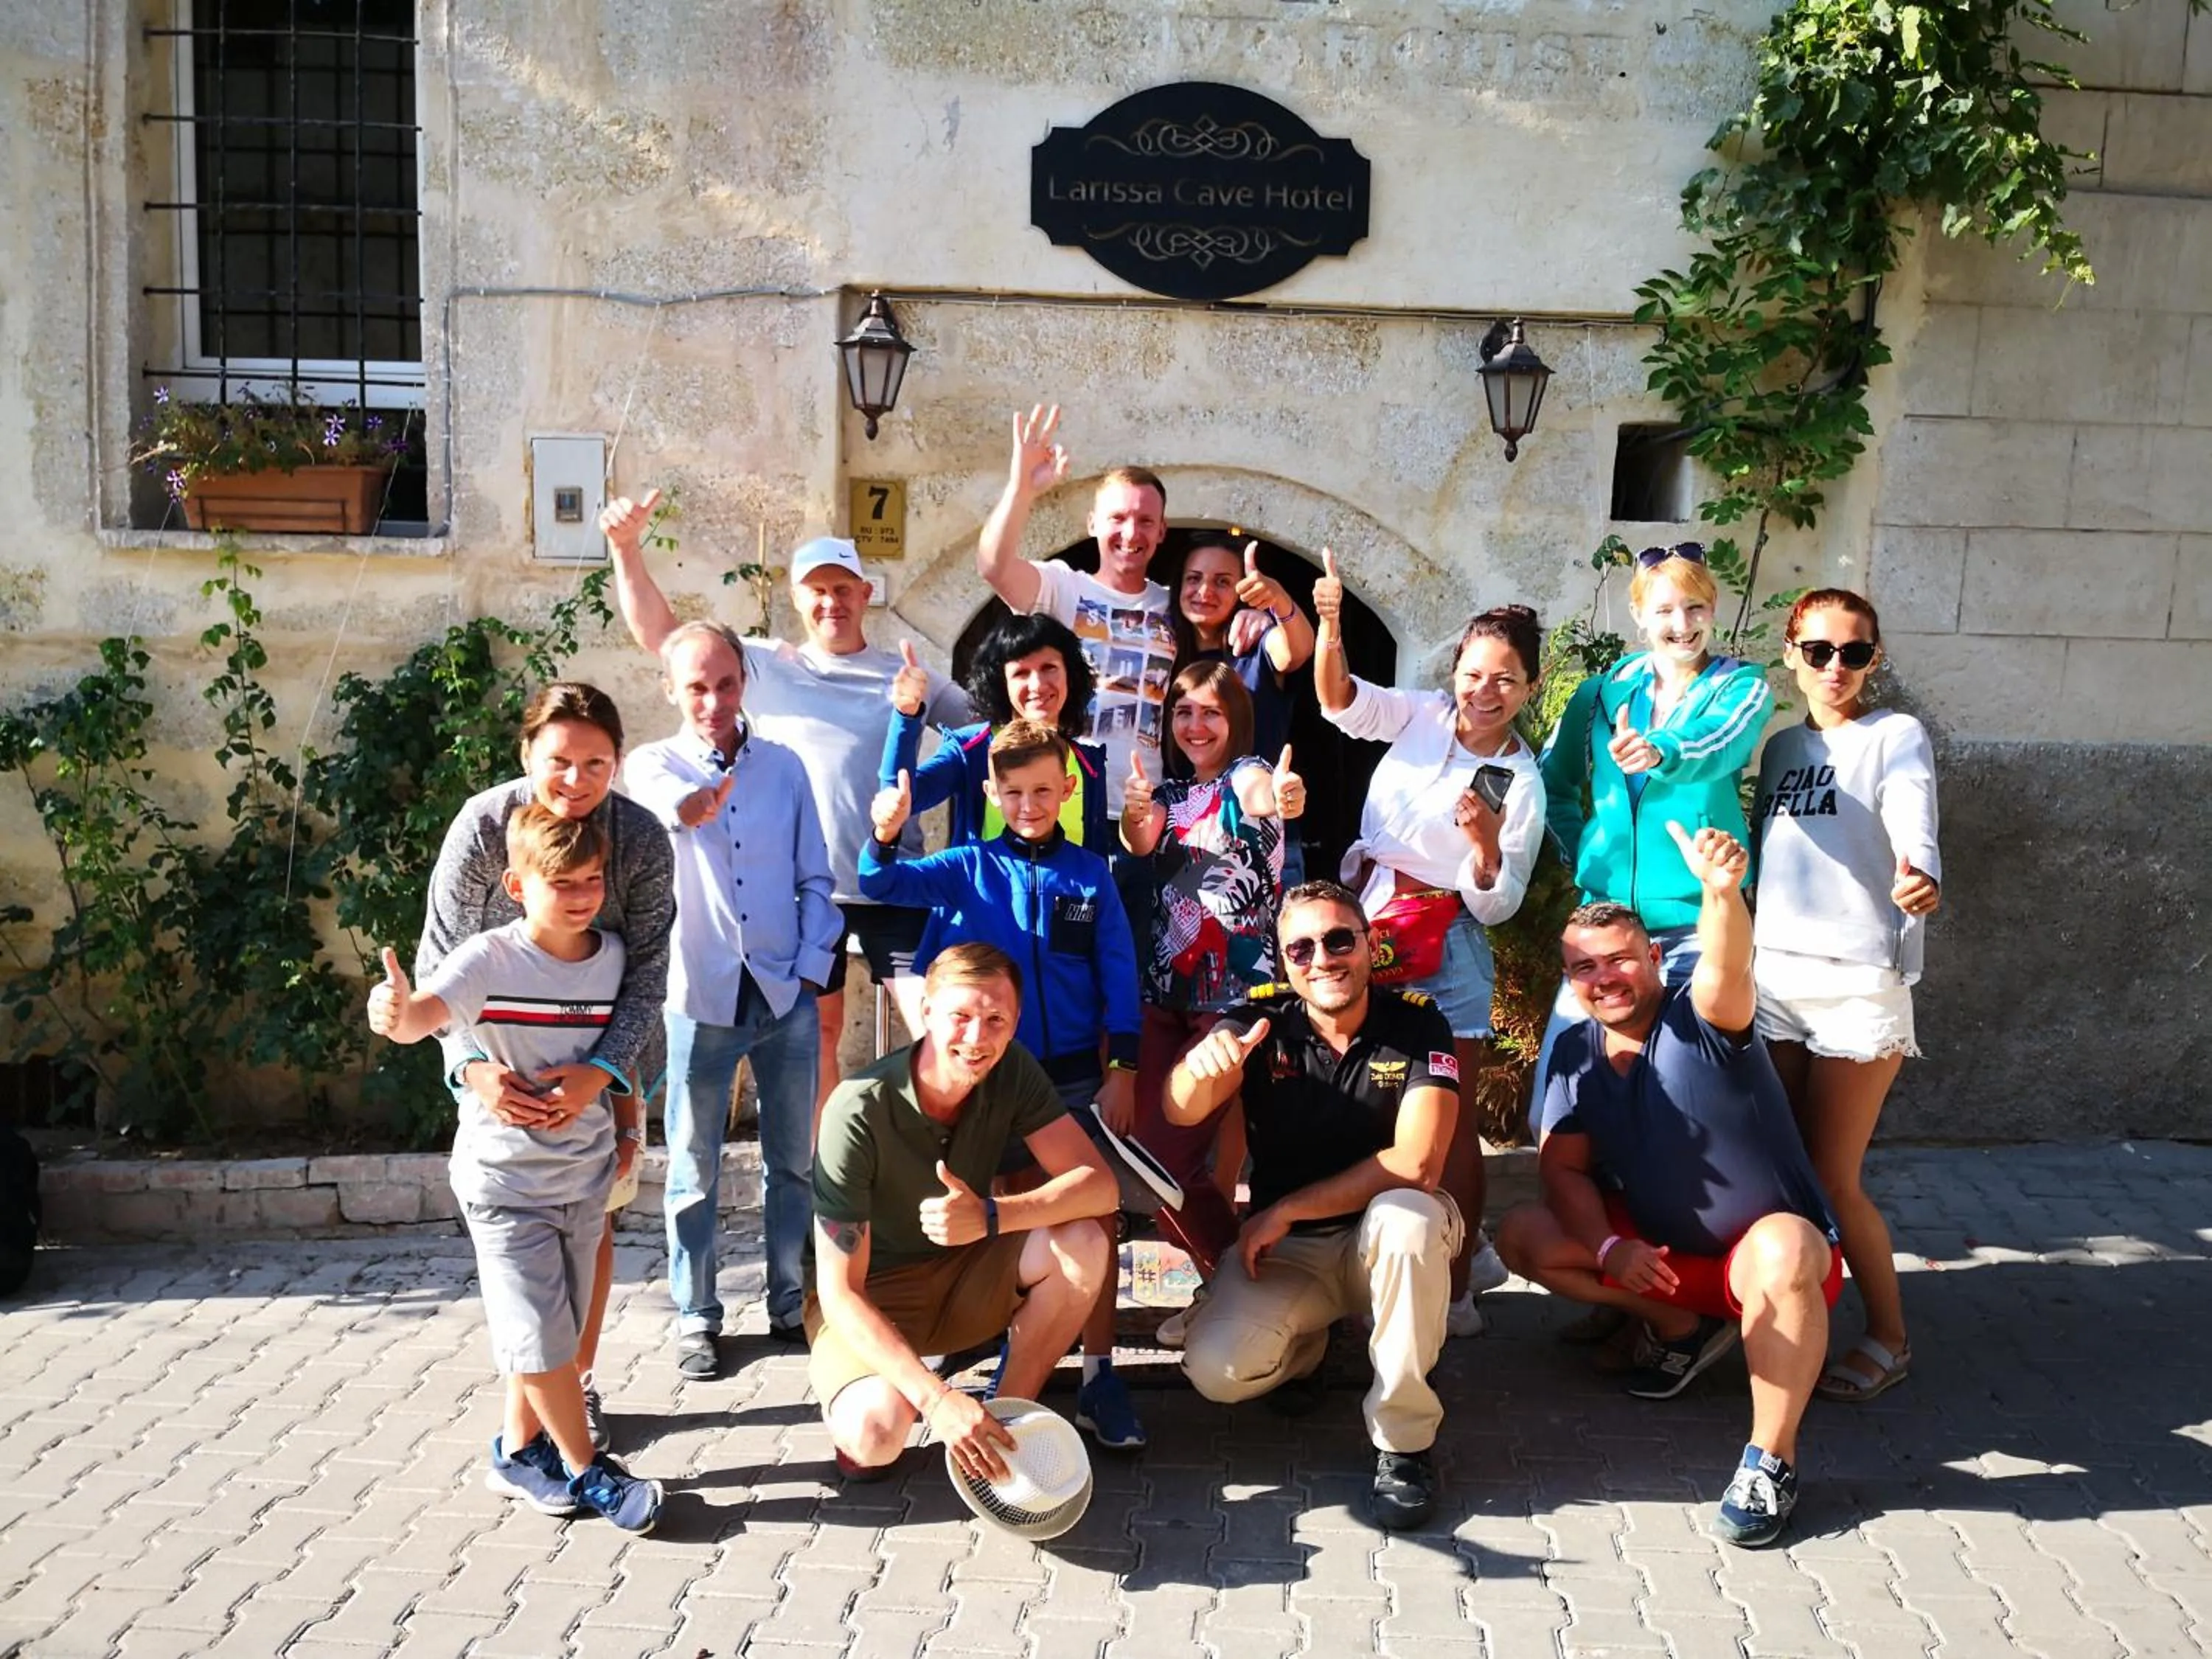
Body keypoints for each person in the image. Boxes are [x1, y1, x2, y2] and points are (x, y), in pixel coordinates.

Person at [1495, 823, 1841, 1549]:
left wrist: (1721, 893)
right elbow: (1561, 1167)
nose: (1604, 979)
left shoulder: (1704, 1017)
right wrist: (1610, 1244)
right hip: (1666, 1262)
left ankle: (1770, 1460)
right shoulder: (1573, 1052)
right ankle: (1684, 1332)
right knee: (1525, 1233)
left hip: (1773, 1270)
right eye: (1583, 968)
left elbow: (1727, 965)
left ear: (1654, 958)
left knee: (1782, 1251)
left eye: (1619, 960)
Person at [603, 492, 970, 1101]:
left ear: (866, 593)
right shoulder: (765, 664)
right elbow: (663, 637)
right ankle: (830, 1180)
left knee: (936, 1023)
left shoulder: (907, 673)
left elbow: (982, 736)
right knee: (817, 1035)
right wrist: (625, 549)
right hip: (807, 890)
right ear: (798, 599)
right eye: (817, 591)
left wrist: (925, 786)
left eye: (844, 588)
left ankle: (927, 1167)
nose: (832, 602)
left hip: (893, 880)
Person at [369, 806, 663, 1531]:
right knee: (541, 1338)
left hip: (583, 1180)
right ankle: (590, 1472)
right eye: (561, 882)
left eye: (592, 880)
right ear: (516, 883)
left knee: (551, 1331)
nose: (581, 895)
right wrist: (395, 1011)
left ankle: (516, 1449)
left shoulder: (614, 957)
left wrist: (626, 1130)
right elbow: (424, 1019)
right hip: (503, 1184)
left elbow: (621, 1055)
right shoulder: (489, 960)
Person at [860, 720, 1150, 1450]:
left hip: (1075, 1074)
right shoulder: (964, 867)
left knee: (1088, 1217)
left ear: (1066, 789)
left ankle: (1099, 1373)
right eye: (1013, 791)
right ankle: (981, 1343)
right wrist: (886, 834)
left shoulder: (1089, 874)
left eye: (1043, 791)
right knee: (977, 1208)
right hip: (984, 1079)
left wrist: (1124, 1067)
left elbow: (1118, 970)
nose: (1029, 804)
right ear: (990, 791)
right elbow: (880, 881)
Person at [417, 682, 672, 1453]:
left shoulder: (639, 840)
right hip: (506, 1070)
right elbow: (439, 960)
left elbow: (650, 973)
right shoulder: (483, 828)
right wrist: (469, 1069)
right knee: (524, 1255)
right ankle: (542, 1415)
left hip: (608, 1067)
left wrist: (603, 1074)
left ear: (617, 764)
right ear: (527, 753)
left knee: (592, 1221)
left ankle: (572, 1388)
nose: (576, 780)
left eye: (596, 763)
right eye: (559, 760)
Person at [1167, 880, 1464, 1531]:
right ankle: (1309, 1346)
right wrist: (1200, 1067)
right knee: (1217, 1372)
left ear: (1369, 945)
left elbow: (1418, 1163)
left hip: (1380, 1243)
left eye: (1338, 940)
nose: (1322, 959)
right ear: (1283, 962)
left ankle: (1405, 1444)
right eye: (1300, 949)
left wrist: (1285, 1209)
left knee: (1407, 1218)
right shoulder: (1259, 1020)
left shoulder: (1416, 1022)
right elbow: (1178, 1108)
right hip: (1293, 1254)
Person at [1315, 558, 1545, 1333]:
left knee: (1450, 1128)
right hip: (1371, 926)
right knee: (1374, 1106)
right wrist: (1331, 626)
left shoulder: (1516, 778)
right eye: (1474, 672)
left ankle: (1455, 1290)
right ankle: (1409, 1256)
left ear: (1530, 691)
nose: (1484, 691)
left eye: (1505, 681)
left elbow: (1501, 900)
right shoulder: (1420, 714)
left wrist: (1482, 848)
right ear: (1456, 670)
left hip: (1448, 943)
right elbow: (1339, 701)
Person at [808, 943, 1119, 1483]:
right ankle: (918, 1407)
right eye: (961, 1017)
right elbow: (840, 1292)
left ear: (1016, 1021)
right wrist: (937, 1400)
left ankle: (1002, 1423)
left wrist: (993, 1215)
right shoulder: (857, 1108)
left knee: (1086, 1243)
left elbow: (1100, 1188)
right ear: (925, 1011)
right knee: (874, 1438)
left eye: (996, 1019)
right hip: (874, 1292)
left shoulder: (1012, 1071)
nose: (977, 1039)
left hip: (967, 1273)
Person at [622, 622, 843, 1376]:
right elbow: (663, 807)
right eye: (695, 686)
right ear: (671, 690)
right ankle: (697, 1316)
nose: (712, 700)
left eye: (725, 683)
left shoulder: (784, 768)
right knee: (693, 1165)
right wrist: (693, 802)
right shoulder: (650, 765)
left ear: (745, 681)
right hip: (700, 994)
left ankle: (789, 1301)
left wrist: (812, 968)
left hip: (786, 994)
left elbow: (817, 876)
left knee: (794, 1163)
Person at [1752, 589, 1940, 1404]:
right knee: (1778, 1170)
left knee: (1832, 1176)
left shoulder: (1894, 735)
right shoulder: (1780, 748)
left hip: (1859, 983)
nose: (1835, 668)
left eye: (1854, 653)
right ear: (1792, 653)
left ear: (1875, 659)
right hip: (1775, 978)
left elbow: (1912, 808)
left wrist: (1921, 870)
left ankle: (1890, 1338)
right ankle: (1790, 1318)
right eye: (1819, 650)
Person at [1532, 543, 1773, 1082]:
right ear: (1639, 616)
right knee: (1561, 1087)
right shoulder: (1599, 695)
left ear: (1714, 610)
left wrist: (1662, 750)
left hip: (1697, 926)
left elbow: (1719, 743)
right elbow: (1551, 783)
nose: (1682, 624)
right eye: (1664, 610)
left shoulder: (1743, 688)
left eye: (1695, 607)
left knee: (1687, 1083)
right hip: (1606, 926)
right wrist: (1586, 853)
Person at [1121, 661, 1304, 1277]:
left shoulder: (1246, 775)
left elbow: (1265, 796)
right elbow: (1139, 842)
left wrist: (1282, 798)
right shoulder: (1169, 795)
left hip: (1237, 996)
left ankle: (1228, 1276)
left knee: (1173, 1150)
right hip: (1165, 991)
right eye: (1183, 712)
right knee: (1147, 1157)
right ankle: (1228, 1273)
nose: (1195, 725)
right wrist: (1131, 810)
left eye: (1210, 712)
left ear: (1236, 720)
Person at [878, 613, 1115, 969]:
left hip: (1064, 957)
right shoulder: (973, 749)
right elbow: (902, 794)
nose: (1037, 684)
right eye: (1021, 673)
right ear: (1000, 683)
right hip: (985, 938)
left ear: (1070, 674)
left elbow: (1094, 867)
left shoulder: (1089, 762)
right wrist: (906, 717)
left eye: (1049, 668)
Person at [1169, 535, 1315, 883]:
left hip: (1263, 846)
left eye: (1223, 582)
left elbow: (1297, 650)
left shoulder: (1255, 645)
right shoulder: (1164, 651)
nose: (1205, 591)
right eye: (1194, 578)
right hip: (1185, 846)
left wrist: (1278, 602)